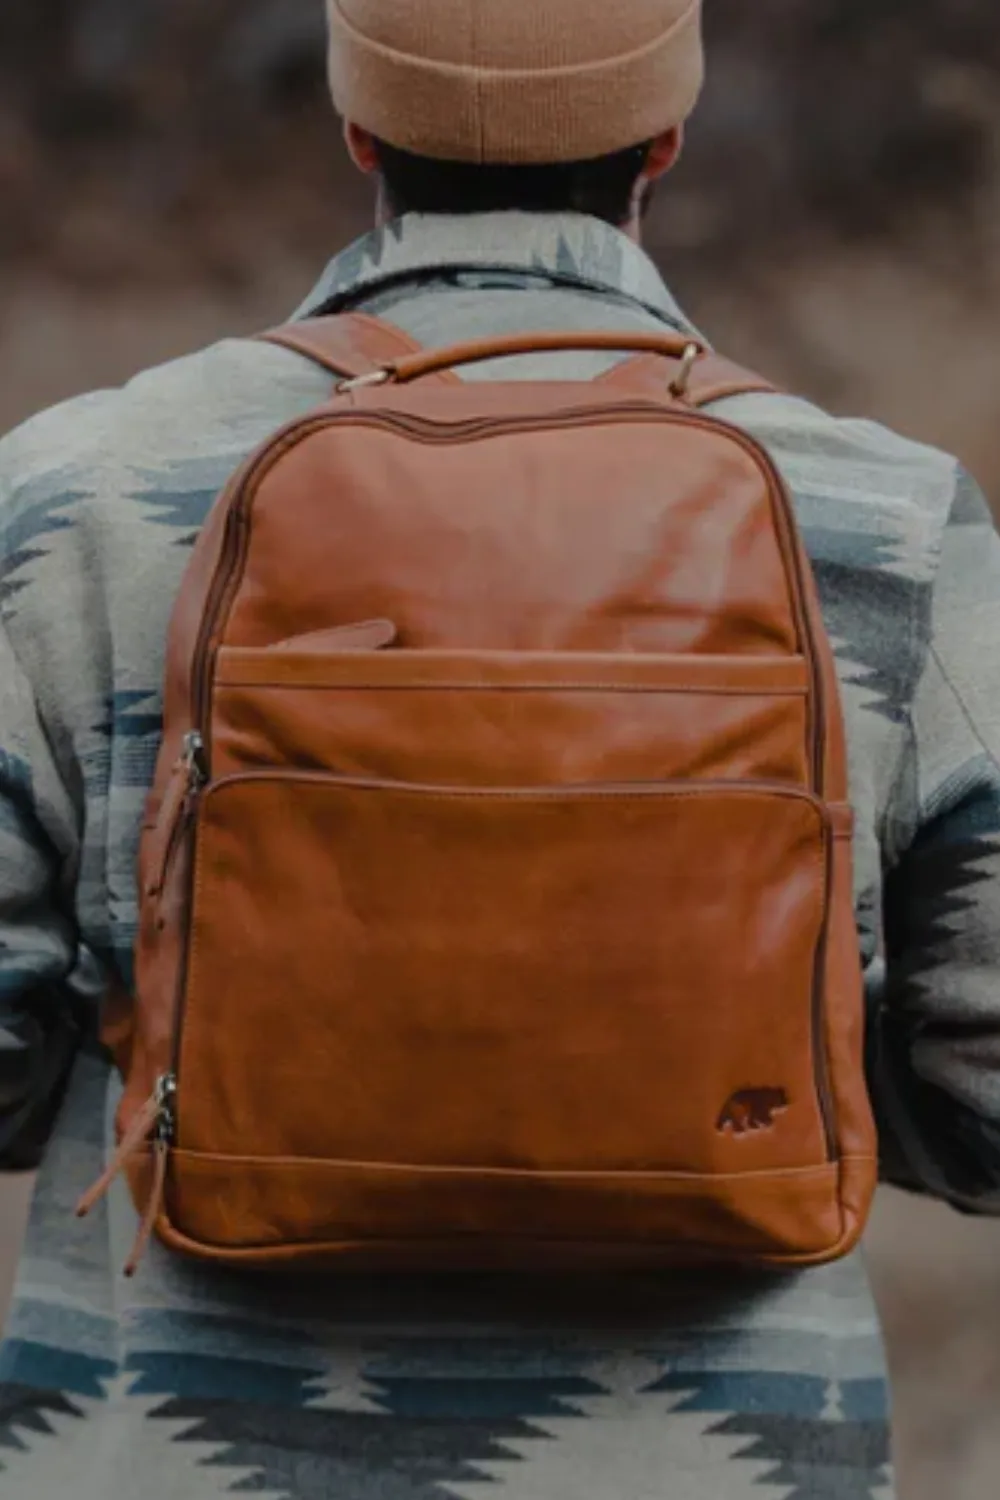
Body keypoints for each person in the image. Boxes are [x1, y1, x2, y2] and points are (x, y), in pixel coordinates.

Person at [1, 1, 999, 1493]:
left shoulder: (77, 493)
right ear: (666, 135)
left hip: (156, 1448)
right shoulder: (884, 518)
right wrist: (718, 1095)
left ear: (357, 129)